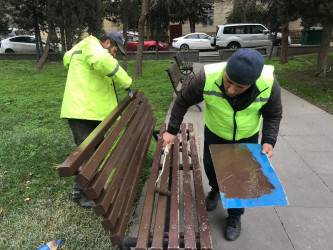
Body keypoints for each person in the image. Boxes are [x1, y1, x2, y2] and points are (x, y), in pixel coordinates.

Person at [162, 48, 282, 241]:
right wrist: (172, 130)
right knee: (211, 166)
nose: (232, 90)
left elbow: (273, 114)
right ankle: (216, 189)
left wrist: (269, 140)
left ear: (252, 83)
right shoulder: (206, 77)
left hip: (246, 135)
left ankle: (234, 216)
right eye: (229, 82)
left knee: (239, 177)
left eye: (240, 87)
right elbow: (183, 100)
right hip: (216, 131)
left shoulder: (269, 83)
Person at [60, 31, 132, 209]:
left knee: (94, 153)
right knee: (87, 155)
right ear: (106, 42)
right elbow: (105, 63)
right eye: (115, 50)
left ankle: (91, 188)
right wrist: (127, 83)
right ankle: (80, 194)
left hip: (89, 111)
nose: (114, 55)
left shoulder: (90, 50)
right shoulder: (91, 47)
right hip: (82, 112)